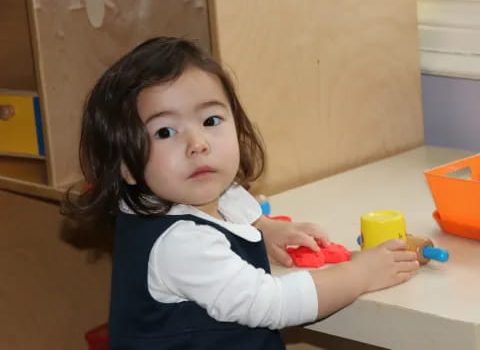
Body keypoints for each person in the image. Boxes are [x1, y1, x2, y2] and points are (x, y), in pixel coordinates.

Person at [64, 37, 419, 349]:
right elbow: (273, 304)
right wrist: (361, 273)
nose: (198, 144)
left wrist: (263, 228)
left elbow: (229, 196)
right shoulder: (181, 244)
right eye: (165, 132)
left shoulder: (178, 192)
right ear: (124, 164)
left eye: (211, 121)